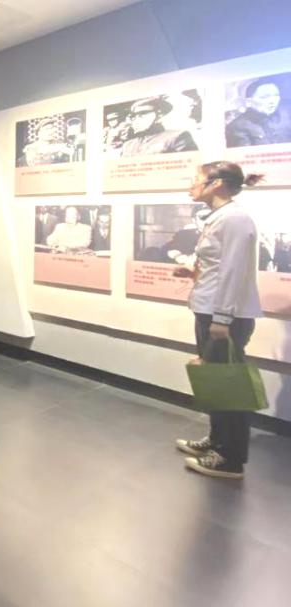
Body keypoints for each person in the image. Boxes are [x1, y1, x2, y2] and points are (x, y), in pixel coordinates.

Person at [175, 162, 264, 479]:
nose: (191, 184)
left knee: (230, 386)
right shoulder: (218, 218)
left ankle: (230, 459)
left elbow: (234, 272)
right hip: (211, 311)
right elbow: (218, 266)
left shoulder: (235, 219)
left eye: (196, 179)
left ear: (216, 184)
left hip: (225, 317)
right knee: (214, 380)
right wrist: (193, 272)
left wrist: (223, 318)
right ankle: (217, 441)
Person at [119, 97, 198, 157]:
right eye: (134, 116)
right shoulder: (128, 145)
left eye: (142, 114)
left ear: (159, 115)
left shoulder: (177, 136)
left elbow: (189, 167)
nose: (137, 119)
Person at [226, 78, 289, 147]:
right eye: (264, 97)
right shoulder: (237, 127)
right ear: (248, 102)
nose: (272, 101)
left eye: (276, 95)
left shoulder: (285, 117)